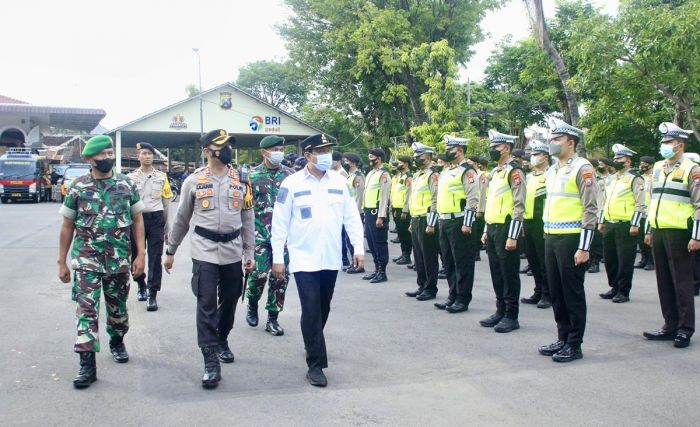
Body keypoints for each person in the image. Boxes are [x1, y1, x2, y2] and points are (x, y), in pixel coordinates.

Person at [270, 133, 365, 387]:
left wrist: (358, 248)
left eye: (329, 149)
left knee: (323, 307)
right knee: (311, 308)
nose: (326, 154)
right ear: (308, 155)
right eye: (320, 150)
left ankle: (311, 338)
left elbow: (351, 217)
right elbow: (279, 223)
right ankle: (315, 364)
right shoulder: (291, 183)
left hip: (331, 257)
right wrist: (278, 257)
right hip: (303, 257)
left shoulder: (339, 182)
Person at [164, 129, 255, 389]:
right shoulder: (193, 181)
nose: (227, 150)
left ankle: (222, 337)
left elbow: (247, 220)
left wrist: (249, 253)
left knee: (230, 301)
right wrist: (170, 252)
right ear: (207, 151)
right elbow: (182, 219)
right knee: (206, 304)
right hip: (203, 249)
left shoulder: (241, 180)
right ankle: (210, 359)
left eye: (229, 146)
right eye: (221, 146)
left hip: (232, 249)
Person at [57, 135, 146, 389]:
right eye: (102, 155)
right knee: (86, 310)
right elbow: (67, 226)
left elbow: (138, 220)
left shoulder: (127, 184)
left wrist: (141, 255)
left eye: (109, 153)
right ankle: (87, 363)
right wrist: (61, 261)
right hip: (87, 261)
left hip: (118, 261)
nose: (107, 158)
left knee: (118, 311)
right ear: (88, 159)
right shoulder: (78, 187)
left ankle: (117, 340)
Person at [538, 118, 598, 363]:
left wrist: (584, 247)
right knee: (556, 291)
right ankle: (562, 337)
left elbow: (590, 209)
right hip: (551, 236)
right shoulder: (552, 169)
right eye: (551, 139)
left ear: (570, 142)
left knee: (572, 292)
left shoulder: (582, 168)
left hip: (572, 238)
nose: (551, 143)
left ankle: (574, 344)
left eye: (556, 139)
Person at [642, 122, 700, 349]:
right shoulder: (657, 167)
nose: (664, 146)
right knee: (664, 280)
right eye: (663, 142)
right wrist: (648, 229)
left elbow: (699, 204)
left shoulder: (692, 169)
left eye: (668, 142)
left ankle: (685, 329)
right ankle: (669, 325)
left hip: (679, 232)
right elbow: (651, 201)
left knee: (682, 281)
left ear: (680, 145)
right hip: (658, 228)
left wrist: (696, 236)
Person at [245, 135, 295, 336]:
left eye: (281, 148)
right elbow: (245, 208)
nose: (279, 153)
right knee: (260, 274)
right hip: (260, 234)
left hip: (283, 236)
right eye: (274, 149)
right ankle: (252, 302)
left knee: (280, 277)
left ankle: (272, 318)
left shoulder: (291, 176)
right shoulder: (252, 176)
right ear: (264, 152)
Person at [480, 130, 526, 333]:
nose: (492, 151)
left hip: (507, 228)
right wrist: (484, 229)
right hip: (492, 227)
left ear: (506, 148)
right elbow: (490, 202)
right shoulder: (495, 172)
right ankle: (500, 310)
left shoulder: (514, 171)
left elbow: (519, 205)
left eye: (495, 148)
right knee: (496, 273)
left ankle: (511, 315)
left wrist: (513, 235)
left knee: (509, 274)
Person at [432, 136, 480, 312]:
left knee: (462, 262)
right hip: (444, 220)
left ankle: (462, 298)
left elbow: (472, 198)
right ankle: (452, 295)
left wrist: (467, 223)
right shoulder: (445, 171)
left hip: (460, 221)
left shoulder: (467, 171)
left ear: (459, 150)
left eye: (449, 149)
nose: (446, 152)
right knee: (448, 261)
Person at [127, 142, 173, 310]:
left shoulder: (162, 177)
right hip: (136, 221)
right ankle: (141, 284)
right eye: (144, 153)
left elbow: (166, 203)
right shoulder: (130, 178)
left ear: (153, 156)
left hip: (156, 220)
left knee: (155, 257)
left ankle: (152, 293)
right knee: (135, 255)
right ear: (138, 156)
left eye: (150, 153)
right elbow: (127, 203)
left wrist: (167, 228)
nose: (147, 156)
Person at [598, 144, 645, 303]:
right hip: (610, 223)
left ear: (628, 162)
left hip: (626, 224)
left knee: (624, 260)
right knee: (610, 259)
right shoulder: (611, 179)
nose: (615, 161)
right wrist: (602, 220)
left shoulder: (635, 178)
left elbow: (640, 203)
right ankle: (614, 287)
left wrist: (635, 224)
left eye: (619, 158)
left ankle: (623, 291)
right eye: (615, 158)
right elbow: (605, 201)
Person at [404, 143, 441, 301]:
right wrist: (412, 219)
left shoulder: (433, 174)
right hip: (416, 218)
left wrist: (431, 223)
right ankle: (422, 285)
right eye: (415, 157)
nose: (416, 159)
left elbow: (435, 199)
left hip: (427, 219)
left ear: (429, 157)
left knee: (429, 256)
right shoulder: (418, 174)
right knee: (418, 255)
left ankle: (430, 288)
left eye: (420, 157)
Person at [520, 141, 551, 309]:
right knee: (533, 259)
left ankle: (548, 293)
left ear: (545, 156)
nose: (532, 157)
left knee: (544, 260)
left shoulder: (551, 175)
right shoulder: (530, 177)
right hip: (529, 221)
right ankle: (538, 290)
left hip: (543, 222)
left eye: (536, 154)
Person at [362, 148, 391, 283]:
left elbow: (384, 197)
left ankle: (382, 272)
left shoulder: (384, 175)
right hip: (368, 211)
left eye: (371, 157)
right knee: (371, 242)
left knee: (379, 242)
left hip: (377, 213)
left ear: (378, 159)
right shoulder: (371, 173)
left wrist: (381, 216)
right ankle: (376, 268)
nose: (369, 159)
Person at [588, 159, 613, 273]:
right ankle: (588, 261)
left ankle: (595, 263)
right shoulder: (588, 179)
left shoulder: (605, 180)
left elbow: (604, 200)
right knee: (588, 240)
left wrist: (601, 216)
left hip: (598, 213)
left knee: (596, 241)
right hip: (586, 213)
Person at [342, 153, 366, 274]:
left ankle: (358, 264)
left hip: (356, 212)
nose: (344, 162)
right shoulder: (350, 176)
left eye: (346, 161)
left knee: (354, 239)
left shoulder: (358, 176)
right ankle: (353, 262)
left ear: (352, 162)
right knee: (348, 239)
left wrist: (355, 212)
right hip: (350, 212)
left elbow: (360, 195)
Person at [390, 156, 413, 265]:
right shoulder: (400, 176)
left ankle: (407, 255)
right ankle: (404, 253)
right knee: (401, 233)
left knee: (406, 234)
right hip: (397, 208)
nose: (398, 164)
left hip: (404, 210)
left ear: (406, 163)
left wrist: (405, 210)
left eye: (400, 162)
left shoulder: (409, 176)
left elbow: (408, 194)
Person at [635, 156, 656, 271]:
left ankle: (650, 261)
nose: (641, 166)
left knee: (648, 238)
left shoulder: (655, 178)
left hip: (650, 212)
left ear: (651, 165)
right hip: (640, 212)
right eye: (641, 163)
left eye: (644, 164)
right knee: (640, 238)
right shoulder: (639, 178)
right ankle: (643, 259)